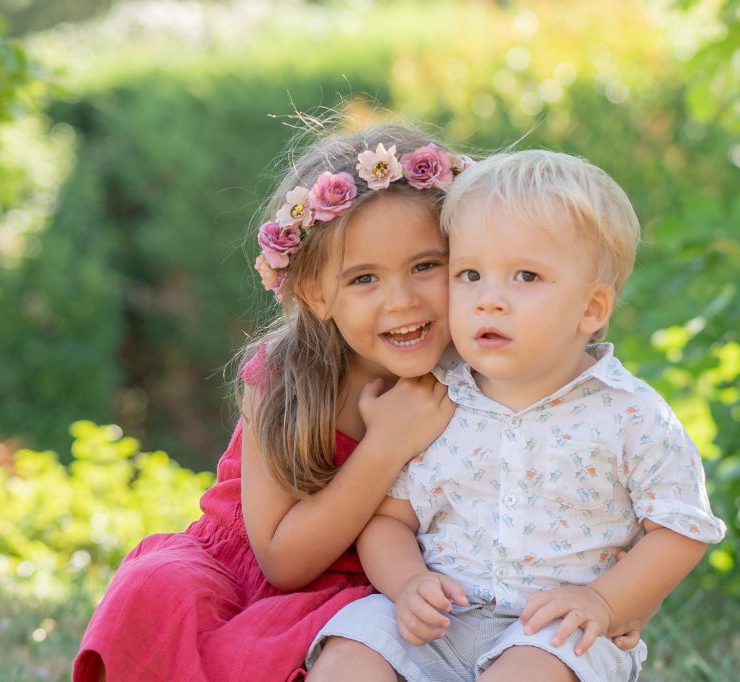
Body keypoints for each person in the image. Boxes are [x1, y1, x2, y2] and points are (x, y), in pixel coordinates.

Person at [73, 122, 475, 681]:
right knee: (158, 586)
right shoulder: (287, 377)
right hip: (255, 572)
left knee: (364, 634)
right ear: (314, 292)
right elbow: (283, 563)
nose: (402, 301)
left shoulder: (483, 376)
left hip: (380, 587)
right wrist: (387, 445)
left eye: (425, 266)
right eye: (364, 279)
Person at [306, 150, 728, 681]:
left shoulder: (631, 414)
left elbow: (679, 527)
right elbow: (390, 519)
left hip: (553, 627)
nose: (489, 301)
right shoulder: (435, 400)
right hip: (437, 619)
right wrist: (407, 581)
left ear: (591, 309)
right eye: (470, 275)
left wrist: (603, 600)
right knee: (352, 650)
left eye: (525, 276)